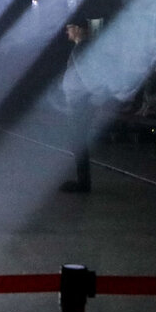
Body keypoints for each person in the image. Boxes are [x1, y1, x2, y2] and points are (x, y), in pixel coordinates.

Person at [60, 20, 97, 193]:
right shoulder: (83, 48)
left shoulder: (82, 48)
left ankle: (83, 183)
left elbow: (86, 76)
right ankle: (83, 181)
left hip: (81, 101)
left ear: (78, 29)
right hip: (80, 100)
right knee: (78, 141)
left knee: (79, 141)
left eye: (69, 28)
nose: (67, 32)